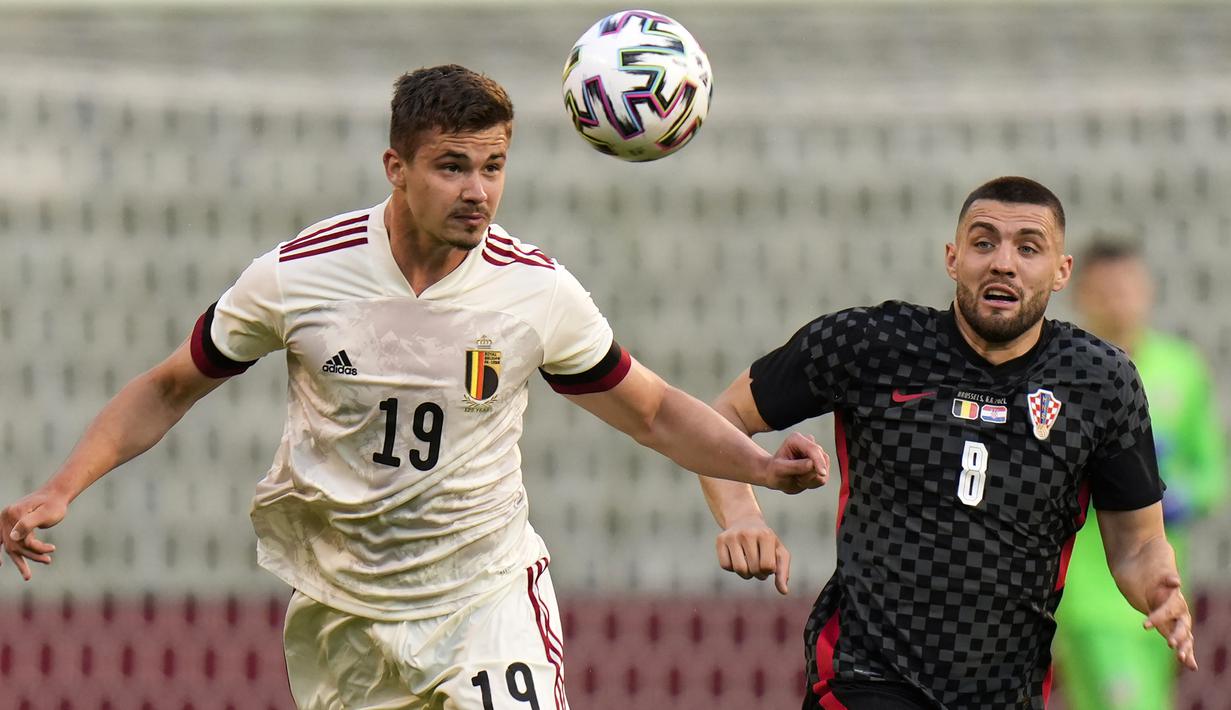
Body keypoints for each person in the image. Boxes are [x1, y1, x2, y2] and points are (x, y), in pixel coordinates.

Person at [0, 65, 828, 710]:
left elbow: (651, 411)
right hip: (343, 607)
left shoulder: (533, 291)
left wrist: (757, 470)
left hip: (483, 596)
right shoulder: (300, 276)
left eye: (494, 167)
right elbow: (169, 387)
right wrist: (62, 486)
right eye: (452, 167)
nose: (478, 191)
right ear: (395, 167)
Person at [696, 176, 1198, 710]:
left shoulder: (1101, 382)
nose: (1003, 263)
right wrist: (742, 516)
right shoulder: (872, 344)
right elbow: (722, 417)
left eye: (1028, 248)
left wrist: (1159, 587)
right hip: (867, 679)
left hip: (1004, 693)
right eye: (983, 243)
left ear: (1061, 271)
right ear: (953, 259)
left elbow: (1137, 545)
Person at [1053, 238, 1226, 710]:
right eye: (1105, 290)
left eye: (1126, 288)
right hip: (1092, 595)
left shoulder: (1181, 368)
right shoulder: (1065, 375)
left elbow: (1212, 470)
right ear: (1080, 294)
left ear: (1147, 290)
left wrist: (1180, 495)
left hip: (1164, 587)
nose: (1118, 301)